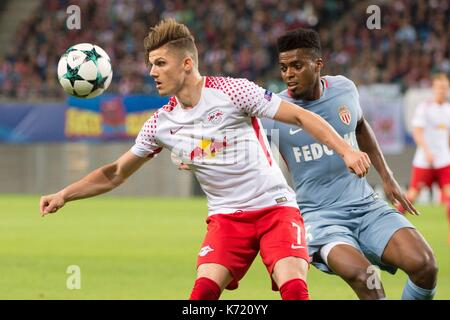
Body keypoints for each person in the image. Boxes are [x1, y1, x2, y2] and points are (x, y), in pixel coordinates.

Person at [39, 19, 371, 300]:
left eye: (160, 63)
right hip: (226, 221)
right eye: (151, 64)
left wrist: (346, 150)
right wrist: (64, 194)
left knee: (295, 290)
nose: (152, 71)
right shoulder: (160, 123)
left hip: (276, 210)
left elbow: (299, 117)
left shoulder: (233, 92)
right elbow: (114, 173)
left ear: (186, 64)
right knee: (200, 298)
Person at [261, 28, 438, 299]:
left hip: (365, 205)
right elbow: (244, 143)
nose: (288, 74)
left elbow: (361, 125)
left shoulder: (344, 88)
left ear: (318, 64)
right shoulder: (274, 111)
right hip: (319, 218)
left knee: (425, 265)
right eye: (284, 67)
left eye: (297, 66)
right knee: (367, 279)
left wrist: (387, 176)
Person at [400, 73, 450, 243]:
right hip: (424, 161)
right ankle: (391, 226)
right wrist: (427, 150)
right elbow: (417, 131)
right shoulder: (425, 108)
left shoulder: (448, 109)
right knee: (411, 197)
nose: (442, 90)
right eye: (439, 87)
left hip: (443, 161)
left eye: (444, 87)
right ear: (433, 88)